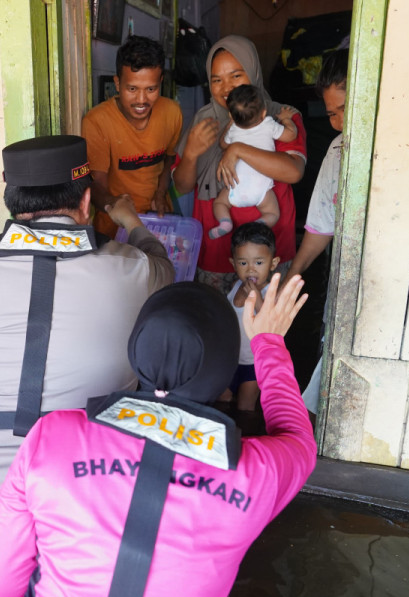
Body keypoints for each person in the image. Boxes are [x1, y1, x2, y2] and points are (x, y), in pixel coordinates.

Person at [0, 275, 316, 597]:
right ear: (224, 368)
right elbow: (299, 439)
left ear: (136, 349)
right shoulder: (257, 472)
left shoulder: (54, 435)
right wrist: (267, 343)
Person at [0, 135, 175, 542]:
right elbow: (164, 267)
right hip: (81, 487)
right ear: (85, 203)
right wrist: (129, 221)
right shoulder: (130, 269)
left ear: (11, 201)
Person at [172, 35, 307, 293]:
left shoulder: (280, 115)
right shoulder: (204, 120)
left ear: (253, 72)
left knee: (266, 329)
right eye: (216, 80)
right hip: (216, 251)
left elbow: (293, 171)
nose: (227, 88)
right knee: (218, 326)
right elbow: (182, 185)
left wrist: (237, 149)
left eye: (236, 76)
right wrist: (190, 154)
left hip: (268, 252)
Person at [284, 48, 349, 414]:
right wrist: (292, 276)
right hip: (345, 282)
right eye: (331, 114)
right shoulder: (338, 150)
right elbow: (321, 226)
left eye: (345, 108)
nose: (339, 121)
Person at [82, 35, 183, 238]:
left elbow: (168, 158)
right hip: (113, 229)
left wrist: (161, 193)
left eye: (151, 89)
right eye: (132, 89)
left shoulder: (172, 112)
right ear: (118, 83)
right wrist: (117, 208)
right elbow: (96, 185)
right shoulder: (97, 122)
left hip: (159, 221)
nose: (141, 100)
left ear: (160, 82)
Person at [209, 84, 298, 240]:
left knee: (220, 203)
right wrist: (286, 120)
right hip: (261, 191)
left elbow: (223, 144)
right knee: (272, 213)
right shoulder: (268, 124)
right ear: (263, 113)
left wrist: (231, 124)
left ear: (231, 115)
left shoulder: (234, 129)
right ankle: (257, 226)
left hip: (234, 187)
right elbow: (290, 135)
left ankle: (225, 223)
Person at [219, 222, 280, 434]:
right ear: (233, 263)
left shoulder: (272, 292)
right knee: (223, 400)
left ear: (273, 263)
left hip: (254, 364)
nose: (250, 269)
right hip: (228, 360)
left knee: (246, 408)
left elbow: (270, 321)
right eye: (243, 262)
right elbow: (231, 312)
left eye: (259, 262)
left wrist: (257, 298)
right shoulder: (236, 285)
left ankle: (246, 446)